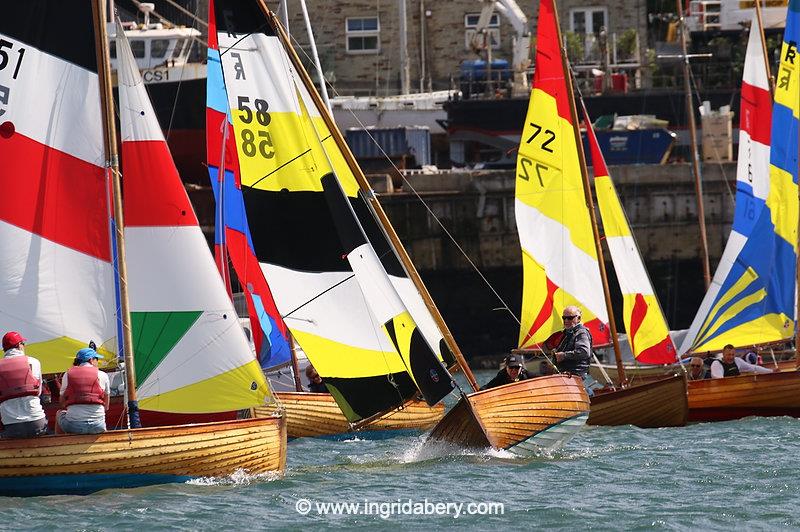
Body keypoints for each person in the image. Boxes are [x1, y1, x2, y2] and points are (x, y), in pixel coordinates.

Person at [0, 331, 48, 439]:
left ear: (5, 349)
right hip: (37, 424)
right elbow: (39, 391)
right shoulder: (34, 362)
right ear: (19, 345)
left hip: (11, 427)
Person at [57, 347, 110, 435]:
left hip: (73, 426)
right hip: (98, 426)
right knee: (100, 420)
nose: (98, 362)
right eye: (96, 359)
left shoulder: (67, 375)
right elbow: (106, 407)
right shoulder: (103, 375)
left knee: (59, 413)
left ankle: (59, 444)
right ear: (91, 360)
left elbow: (62, 403)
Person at [710, 344, 775, 379]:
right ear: (723, 354)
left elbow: (754, 368)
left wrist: (771, 371)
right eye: (728, 355)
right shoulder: (717, 364)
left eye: (733, 354)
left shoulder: (737, 360)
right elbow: (719, 381)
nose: (731, 357)